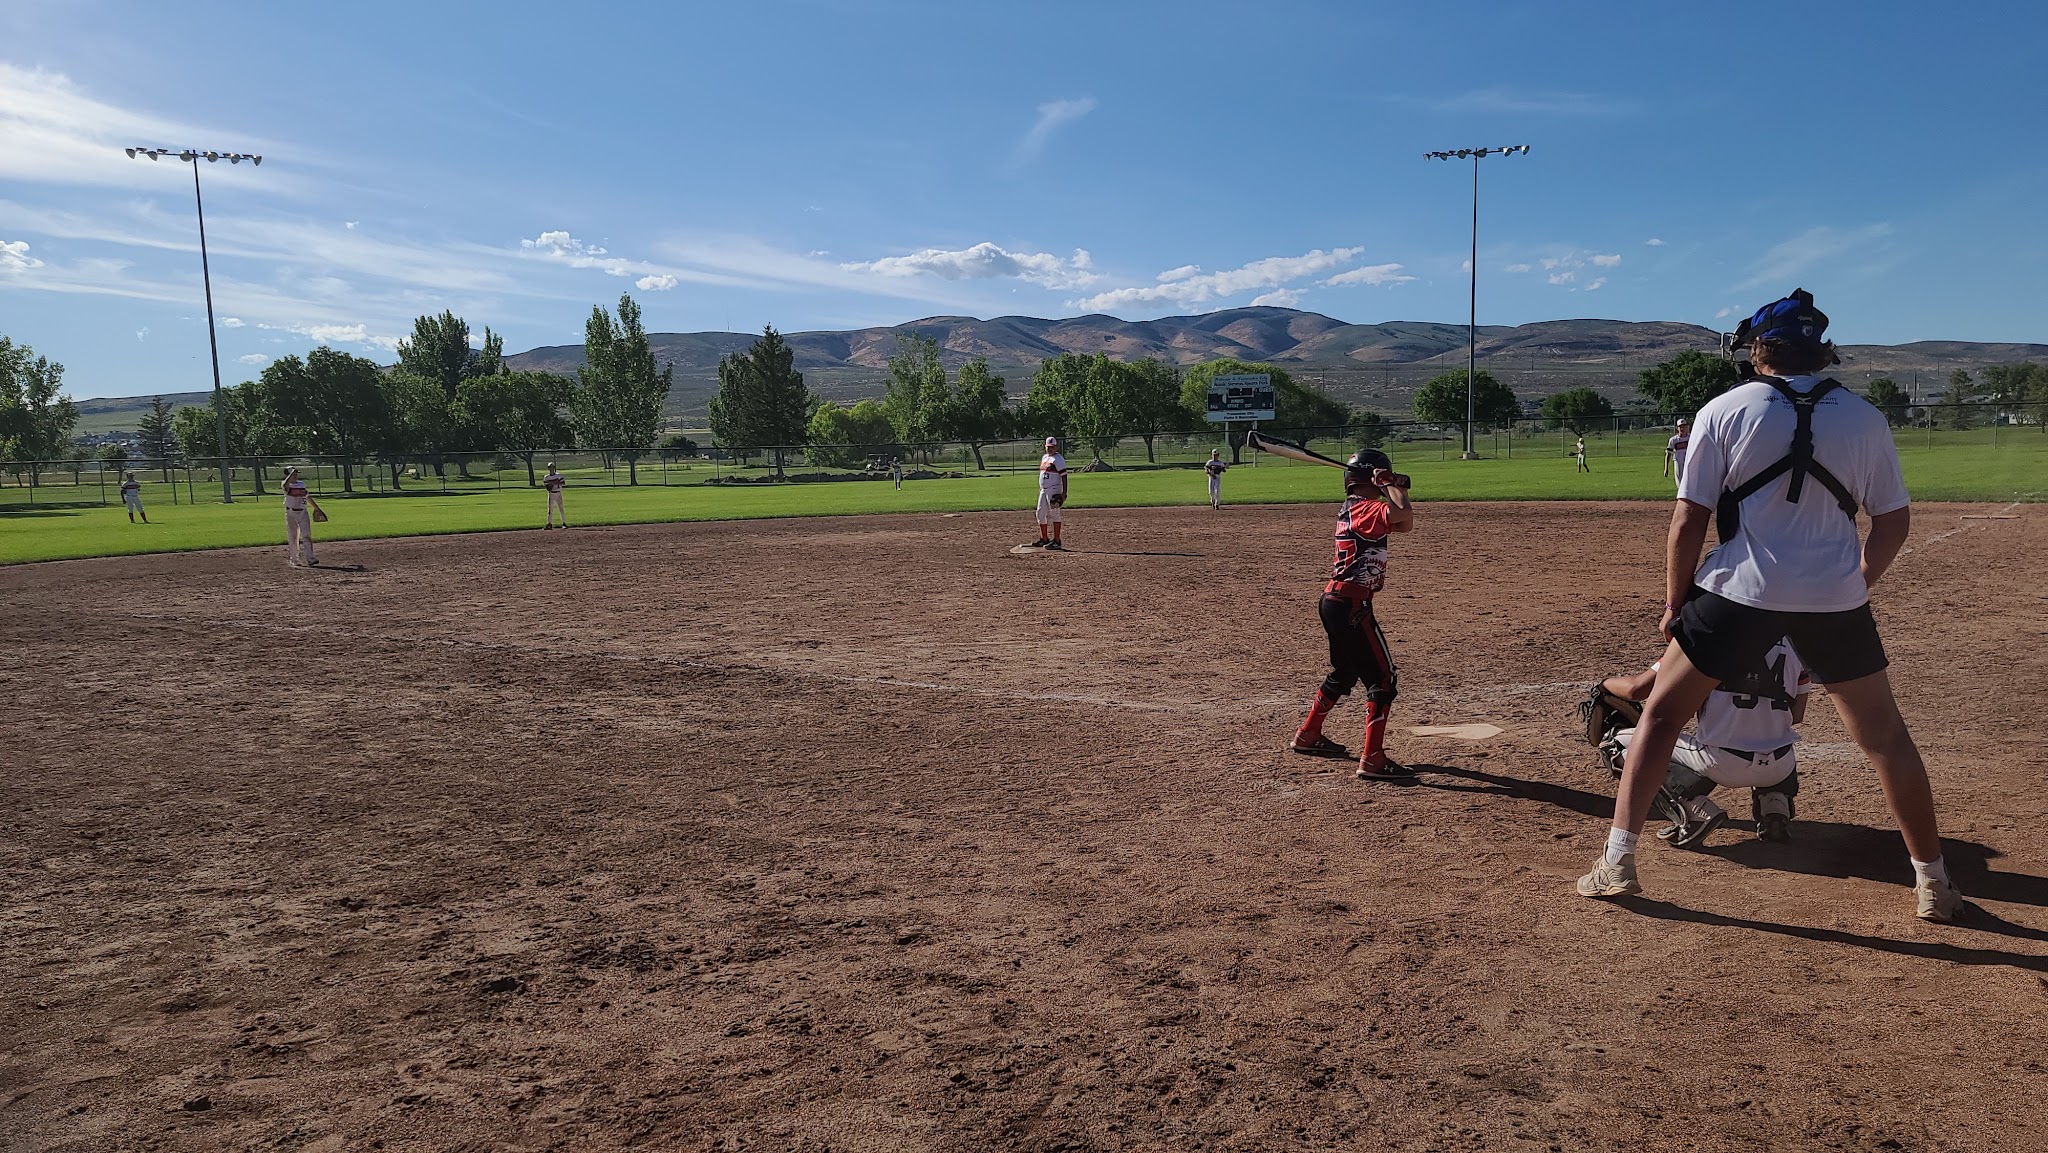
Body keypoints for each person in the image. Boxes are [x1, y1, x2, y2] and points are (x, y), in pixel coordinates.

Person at [1575, 288, 1961, 923]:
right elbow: (1893, 523)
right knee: (1886, 739)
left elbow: (1688, 521)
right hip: (1835, 598)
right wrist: (1853, 582)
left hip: (1737, 592)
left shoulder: (1724, 409)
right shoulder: (1864, 417)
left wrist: (1676, 603)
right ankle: (1933, 884)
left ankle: (1618, 863)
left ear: (1761, 349)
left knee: (1662, 718)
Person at [1580, 636, 1811, 850]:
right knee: (1767, 730)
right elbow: (1797, 714)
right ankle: (1774, 806)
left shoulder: (1704, 634)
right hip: (1781, 766)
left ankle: (1692, 810)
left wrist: (1602, 685)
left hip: (1720, 763)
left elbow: (1637, 689)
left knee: (1616, 744)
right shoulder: (1793, 642)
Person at [1288, 450, 1416, 779]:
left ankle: (1308, 734)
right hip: (1351, 606)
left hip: (1337, 603)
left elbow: (1406, 523)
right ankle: (1372, 758)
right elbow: (1402, 513)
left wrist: (1392, 486)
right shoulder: (1366, 508)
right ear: (1372, 478)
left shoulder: (1354, 509)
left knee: (1345, 671)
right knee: (1383, 678)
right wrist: (1390, 484)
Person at [1029, 436, 1069, 550]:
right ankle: (1044, 539)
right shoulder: (1045, 457)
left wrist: (1064, 493)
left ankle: (1057, 540)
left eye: (1052, 447)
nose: (1050, 449)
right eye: (1048, 447)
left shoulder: (1058, 459)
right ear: (1045, 447)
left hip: (1055, 489)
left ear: (1056, 447)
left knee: (1055, 514)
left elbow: (1064, 476)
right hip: (1044, 490)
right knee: (1040, 513)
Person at [282, 466, 321, 567]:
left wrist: (316, 508)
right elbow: (285, 486)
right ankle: (294, 559)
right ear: (288, 474)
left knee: (307, 535)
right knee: (293, 536)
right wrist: (290, 474)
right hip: (291, 513)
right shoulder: (286, 484)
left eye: (296, 473)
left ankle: (310, 558)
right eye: (294, 473)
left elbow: (307, 497)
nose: (296, 475)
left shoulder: (301, 484)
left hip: (303, 512)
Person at [1665, 417, 1692, 485]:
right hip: (1678, 462)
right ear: (1677, 428)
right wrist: (1666, 468)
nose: (1682, 428)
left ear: (1687, 427)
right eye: (1680, 427)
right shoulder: (1673, 440)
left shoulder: (1691, 438)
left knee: (1690, 482)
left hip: (1689, 462)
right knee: (1680, 483)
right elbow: (1668, 454)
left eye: (1684, 426)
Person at [543, 463, 567, 529]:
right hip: (551, 493)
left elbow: (563, 482)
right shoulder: (546, 477)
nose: (551, 468)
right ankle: (549, 524)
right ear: (548, 468)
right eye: (550, 467)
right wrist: (553, 484)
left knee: (561, 508)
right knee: (550, 510)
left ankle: (564, 523)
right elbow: (547, 486)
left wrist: (553, 483)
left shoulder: (558, 475)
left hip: (558, 493)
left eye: (552, 467)